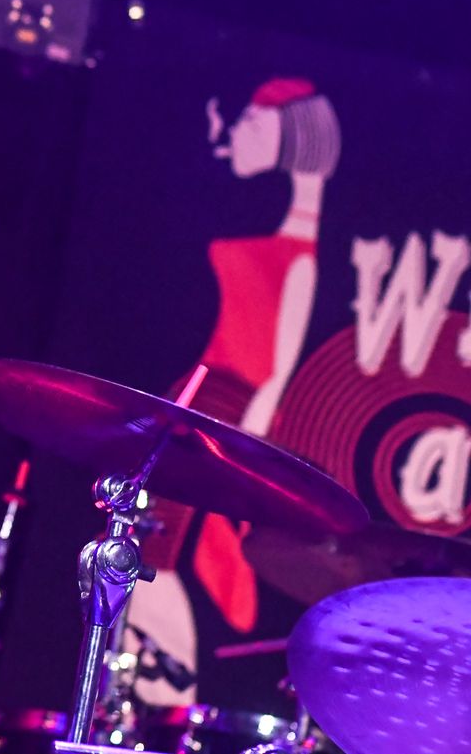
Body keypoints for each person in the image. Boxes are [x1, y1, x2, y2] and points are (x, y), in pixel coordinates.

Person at [125, 77, 340, 704]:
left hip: (226, 404)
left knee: (158, 546)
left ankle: (168, 698)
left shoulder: (298, 253)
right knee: (145, 539)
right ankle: (144, 687)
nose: (237, 133)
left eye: (252, 121)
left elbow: (277, 367)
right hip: (197, 396)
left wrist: (253, 426)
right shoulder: (263, 221)